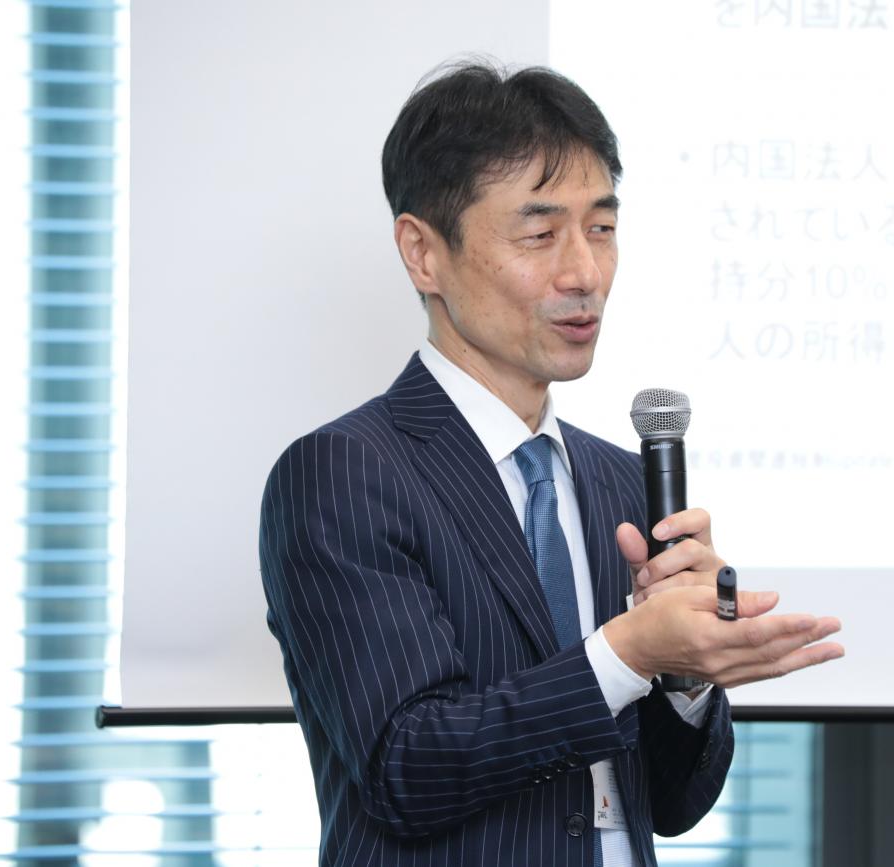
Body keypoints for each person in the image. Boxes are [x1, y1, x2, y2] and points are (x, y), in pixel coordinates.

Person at [258, 61, 844, 867]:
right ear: (423, 253)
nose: (585, 273)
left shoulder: (621, 481)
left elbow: (673, 804)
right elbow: (407, 767)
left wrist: (685, 675)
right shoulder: (344, 473)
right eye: (540, 235)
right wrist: (630, 650)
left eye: (601, 229)